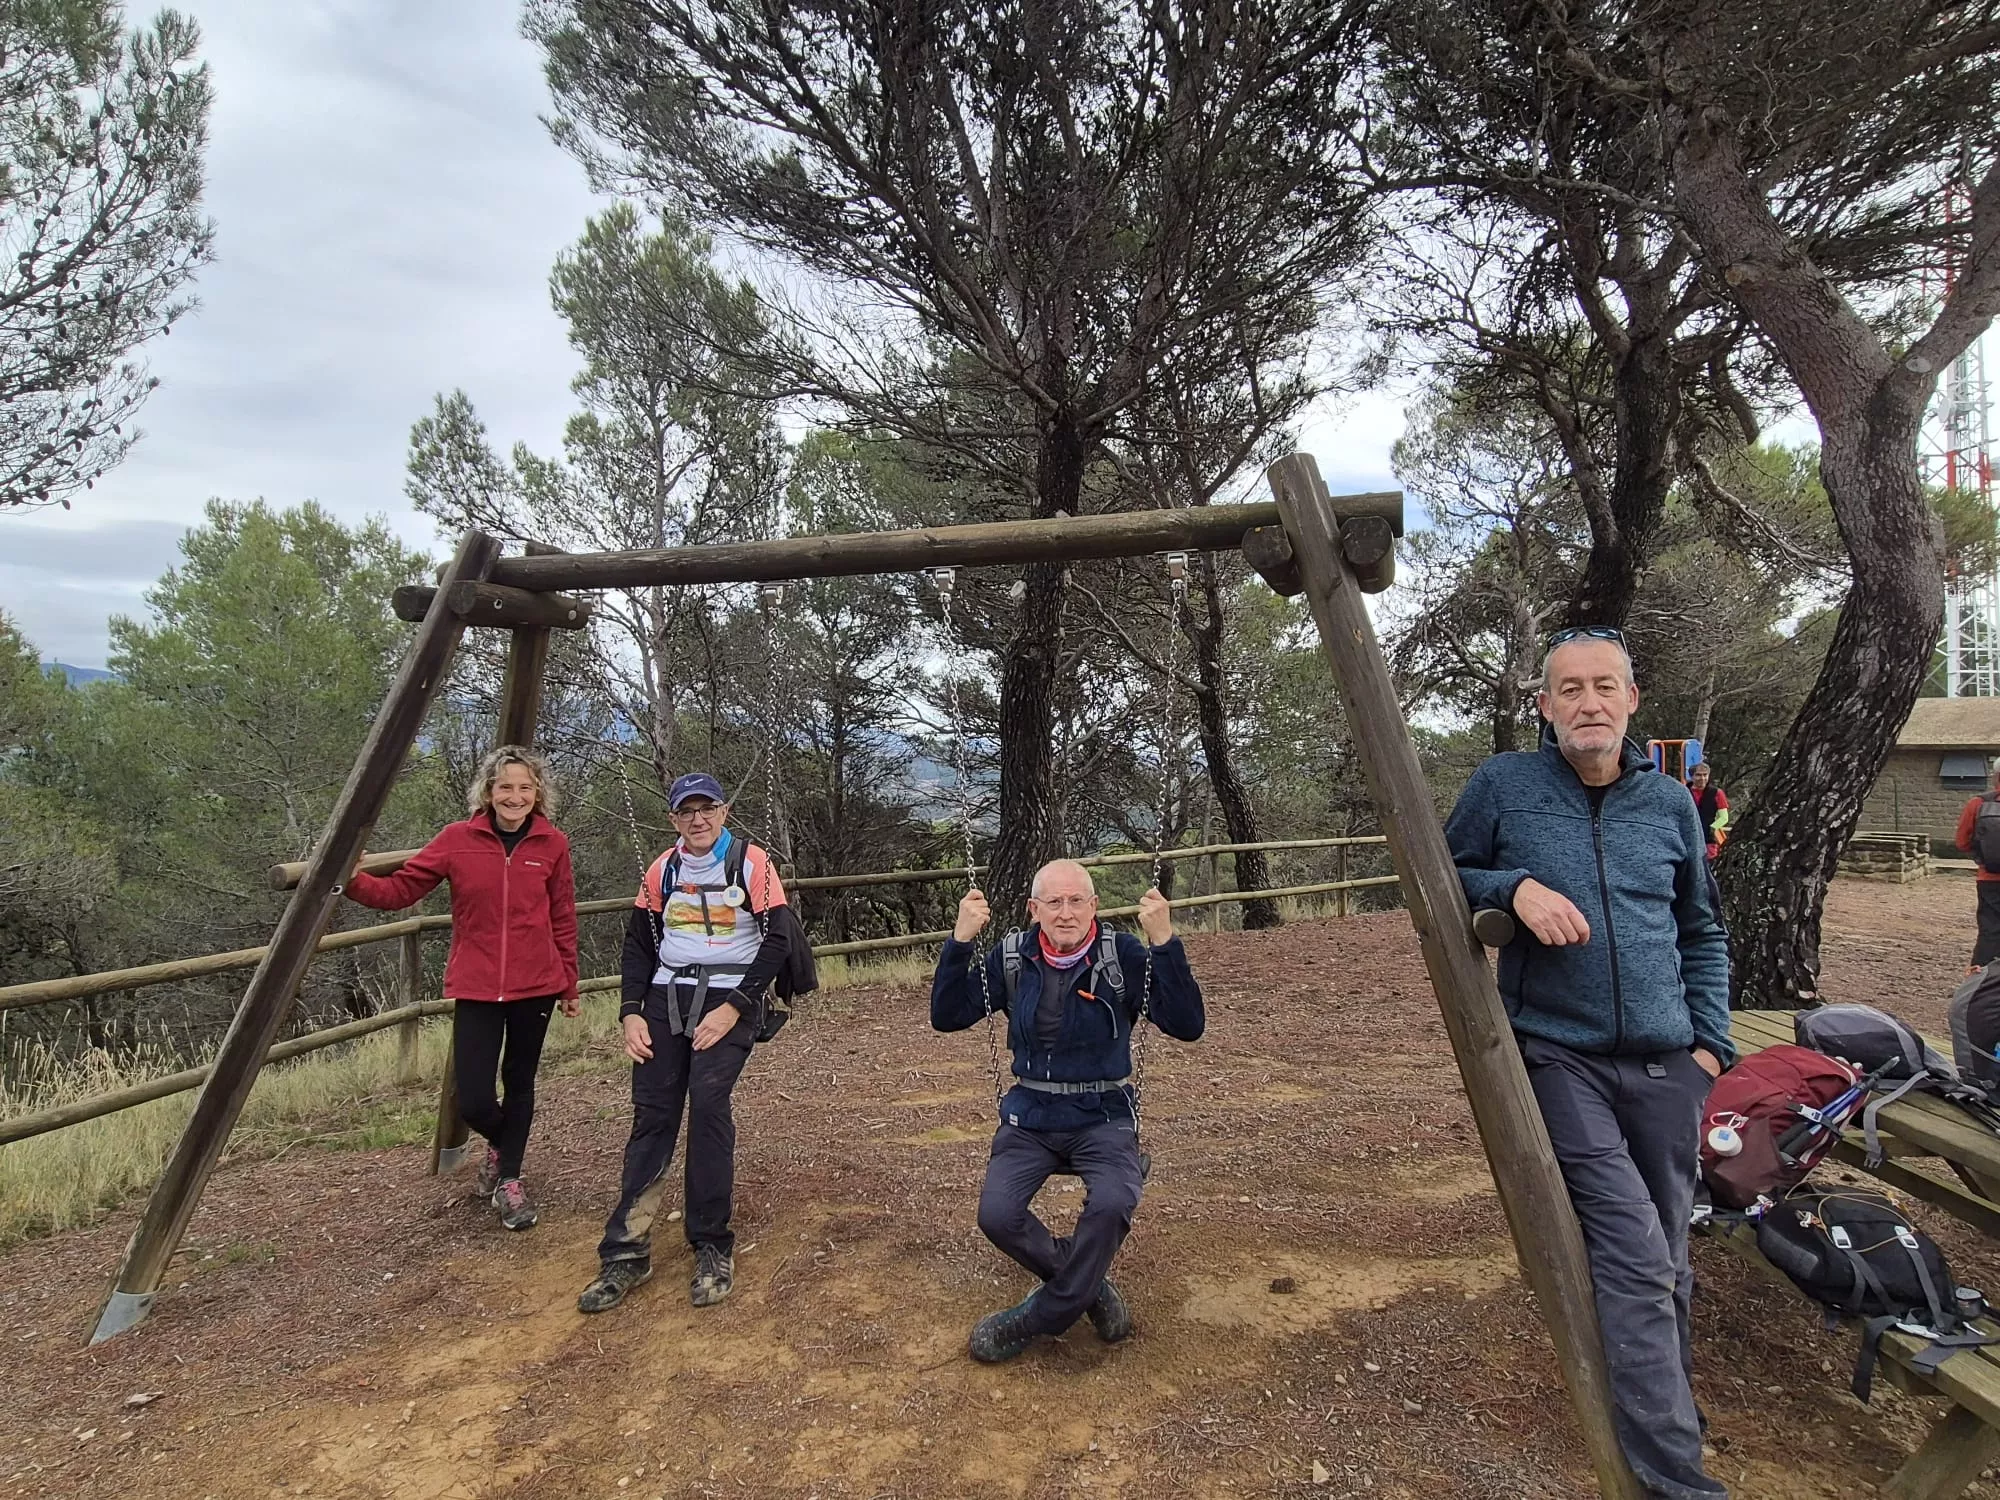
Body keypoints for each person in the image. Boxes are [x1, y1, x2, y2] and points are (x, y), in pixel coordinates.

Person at [1446, 626, 1732, 1500]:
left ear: (1632, 700)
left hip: (1667, 1066)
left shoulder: (1672, 805)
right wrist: (1513, 887)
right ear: (1544, 705)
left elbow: (1701, 930)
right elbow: (1437, 871)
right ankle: (1676, 1480)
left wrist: (1710, 1047)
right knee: (1638, 1257)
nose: (1588, 703)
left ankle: (1663, 1403)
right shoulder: (1505, 784)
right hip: (1559, 1060)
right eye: (1568, 689)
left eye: (1604, 686)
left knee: (1671, 1256)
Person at [931, 859, 1204, 1363]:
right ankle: (1089, 1287)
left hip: (1103, 1114)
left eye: (1076, 900)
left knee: (1111, 1204)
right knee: (997, 1215)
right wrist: (960, 942)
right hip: (1030, 1116)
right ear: (1034, 910)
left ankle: (1040, 1318)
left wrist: (1165, 942)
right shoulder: (1013, 956)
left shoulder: (1122, 955)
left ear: (1094, 906)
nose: (1065, 913)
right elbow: (947, 1016)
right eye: (1053, 902)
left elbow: (1187, 1024)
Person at [577, 772, 791, 1314]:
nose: (698, 819)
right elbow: (636, 944)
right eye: (686, 811)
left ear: (723, 812)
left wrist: (736, 1006)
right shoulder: (662, 869)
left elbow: (779, 941)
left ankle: (712, 1243)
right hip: (665, 995)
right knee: (653, 1113)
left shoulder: (751, 863)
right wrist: (630, 1012)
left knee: (709, 1105)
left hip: (731, 995)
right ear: (674, 819)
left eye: (707, 808)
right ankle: (626, 1250)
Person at [344, 745, 579, 1231]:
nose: (514, 796)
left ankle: (510, 1179)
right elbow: (402, 890)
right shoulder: (457, 840)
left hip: (537, 985)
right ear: (488, 792)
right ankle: (502, 1143)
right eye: (505, 787)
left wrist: (569, 983)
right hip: (477, 986)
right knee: (473, 1097)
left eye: (524, 787)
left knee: (520, 1085)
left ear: (538, 794)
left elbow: (562, 917)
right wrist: (354, 880)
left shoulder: (552, 844)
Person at [1955, 763, 2000, 971]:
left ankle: (1979, 984)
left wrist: (1982, 855)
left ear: (1995, 776)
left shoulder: (1978, 803)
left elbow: (1962, 842)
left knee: (1990, 930)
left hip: (1989, 879)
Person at [1687, 761, 1729, 863]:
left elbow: (1724, 817)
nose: (1702, 778)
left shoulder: (1717, 793)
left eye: (1705, 775)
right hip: (1687, 840)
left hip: (1708, 841)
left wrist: (1713, 828)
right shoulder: (1684, 791)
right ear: (1691, 776)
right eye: (1698, 775)